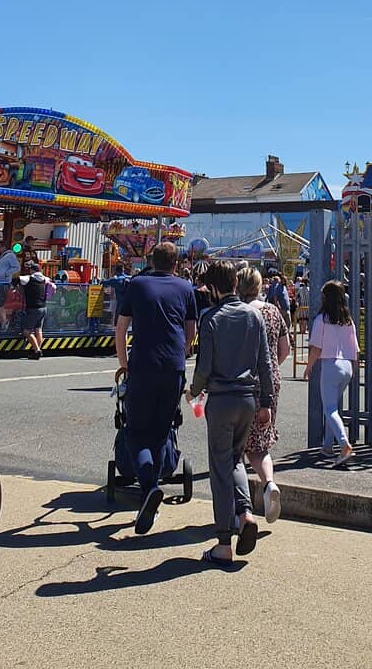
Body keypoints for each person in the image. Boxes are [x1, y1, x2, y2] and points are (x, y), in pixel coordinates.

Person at [187, 258, 273, 567]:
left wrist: (193, 392)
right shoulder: (254, 316)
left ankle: (224, 541)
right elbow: (265, 362)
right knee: (235, 459)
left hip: (221, 400)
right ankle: (245, 513)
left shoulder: (210, 317)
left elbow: (204, 366)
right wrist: (267, 403)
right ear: (236, 283)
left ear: (211, 287)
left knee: (219, 468)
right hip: (249, 400)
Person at [114, 241, 197, 535]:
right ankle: (157, 481)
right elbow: (190, 331)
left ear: (151, 260)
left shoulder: (137, 285)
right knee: (163, 429)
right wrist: (183, 353)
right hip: (172, 365)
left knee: (136, 431)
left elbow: (122, 327)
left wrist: (124, 364)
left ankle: (149, 487)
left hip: (143, 364)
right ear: (176, 264)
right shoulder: (186, 288)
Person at [236, 265, 289, 524]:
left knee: (237, 445)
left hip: (243, 382)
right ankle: (269, 484)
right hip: (270, 382)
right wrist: (273, 368)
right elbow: (285, 348)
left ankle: (242, 507)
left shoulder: (239, 312)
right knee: (261, 442)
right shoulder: (272, 311)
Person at [303, 280, 359, 467]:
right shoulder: (347, 320)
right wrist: (354, 368)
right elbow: (355, 349)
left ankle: (344, 445)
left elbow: (316, 348)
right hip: (347, 366)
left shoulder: (322, 319)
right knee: (333, 407)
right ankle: (327, 447)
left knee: (330, 409)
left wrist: (308, 367)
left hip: (330, 364)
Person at [12, 260, 51, 360]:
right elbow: (50, 281)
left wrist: (15, 287)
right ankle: (36, 350)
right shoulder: (44, 279)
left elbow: (16, 279)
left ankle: (37, 350)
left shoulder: (29, 278)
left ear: (32, 271)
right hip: (43, 307)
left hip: (33, 308)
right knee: (38, 329)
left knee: (27, 331)